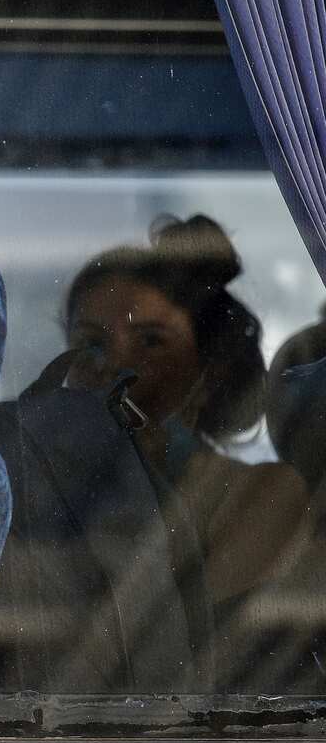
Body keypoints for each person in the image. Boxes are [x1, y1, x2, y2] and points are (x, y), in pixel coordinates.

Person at [64, 214, 306, 609]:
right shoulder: (27, 489)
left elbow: (178, 622)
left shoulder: (262, 494)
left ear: (210, 371)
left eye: (150, 341)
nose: (111, 367)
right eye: (91, 344)